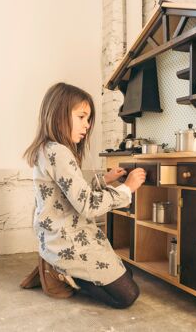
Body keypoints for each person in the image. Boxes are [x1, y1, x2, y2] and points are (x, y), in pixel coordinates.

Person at [20, 82, 146, 309]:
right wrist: (126, 188)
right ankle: (59, 272)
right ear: (59, 114)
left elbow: (68, 193)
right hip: (67, 238)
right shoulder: (59, 151)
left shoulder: (48, 149)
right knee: (128, 295)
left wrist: (103, 180)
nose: (87, 125)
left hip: (57, 233)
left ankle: (53, 263)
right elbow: (88, 205)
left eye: (88, 119)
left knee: (128, 273)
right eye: (82, 117)